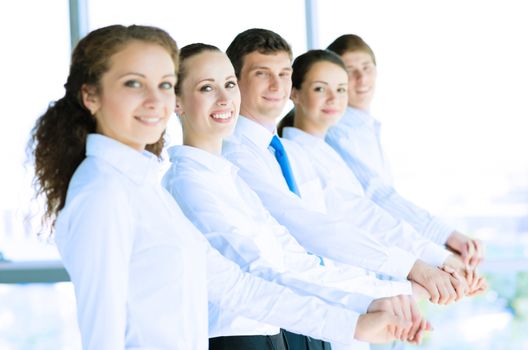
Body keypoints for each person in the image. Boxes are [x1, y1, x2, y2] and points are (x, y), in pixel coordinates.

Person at [28, 25, 408, 349]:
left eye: (163, 84)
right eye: (133, 83)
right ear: (90, 95)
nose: (154, 100)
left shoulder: (147, 189)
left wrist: (357, 321)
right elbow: (102, 336)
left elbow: (235, 286)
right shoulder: (103, 193)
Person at [163, 43, 431, 350]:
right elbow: (258, 273)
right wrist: (358, 318)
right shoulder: (189, 185)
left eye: (229, 84)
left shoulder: (229, 180)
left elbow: (294, 261)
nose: (225, 99)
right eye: (207, 88)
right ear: (177, 102)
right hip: (236, 340)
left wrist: (389, 294)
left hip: (273, 333)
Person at [221, 28, 464, 350]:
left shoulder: (280, 153)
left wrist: (412, 278)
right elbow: (308, 229)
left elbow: (352, 219)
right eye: (261, 74)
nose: (277, 85)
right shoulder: (238, 153)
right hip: (274, 317)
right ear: (235, 81)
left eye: (283, 73)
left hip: (314, 309)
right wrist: (414, 272)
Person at [277, 49, 487, 296]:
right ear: (294, 93)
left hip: (357, 298)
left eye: (341, 89)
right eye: (320, 89)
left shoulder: (325, 154)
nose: (334, 98)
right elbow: (363, 218)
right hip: (334, 302)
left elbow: (370, 217)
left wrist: (437, 262)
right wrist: (432, 264)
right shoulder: (296, 155)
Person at [324, 34, 484, 269]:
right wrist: (446, 236)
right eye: (350, 71)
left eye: (367, 67)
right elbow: (378, 196)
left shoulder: (363, 127)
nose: (361, 78)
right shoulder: (339, 132)